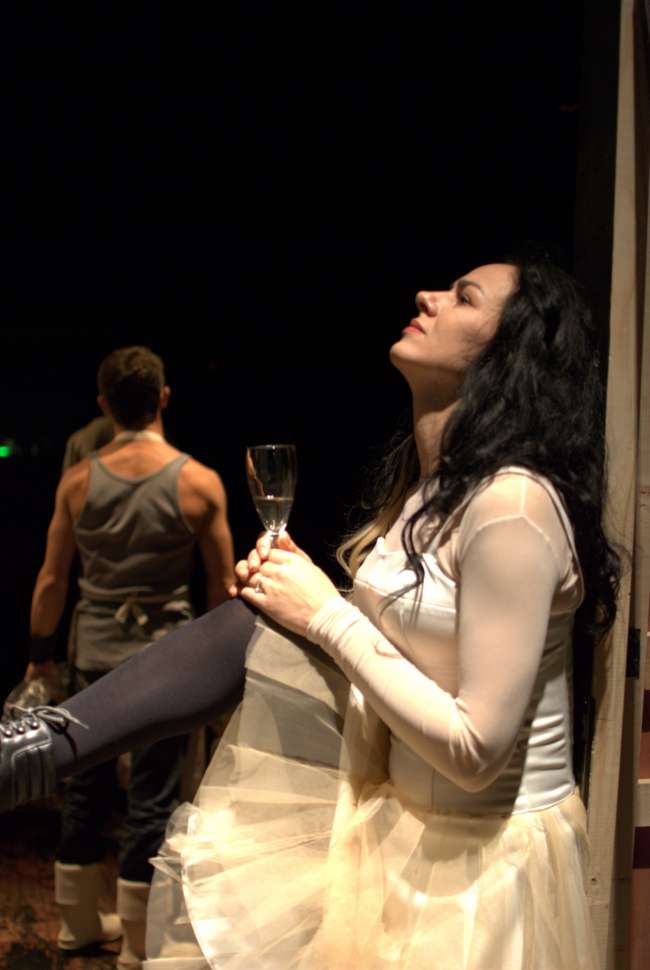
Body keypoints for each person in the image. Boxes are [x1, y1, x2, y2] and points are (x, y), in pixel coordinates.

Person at [1, 256, 620, 970]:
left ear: (508, 355)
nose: (428, 295)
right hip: (404, 822)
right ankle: (32, 750)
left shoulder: (514, 502)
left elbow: (477, 750)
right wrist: (295, 598)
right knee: (251, 625)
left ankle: (33, 753)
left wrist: (324, 612)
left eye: (463, 297)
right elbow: (412, 640)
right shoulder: (433, 489)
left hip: (476, 870)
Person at [22, 346, 236, 968]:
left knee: (83, 790)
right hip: (167, 664)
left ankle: (77, 927)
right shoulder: (199, 482)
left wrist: (39, 657)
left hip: (93, 655)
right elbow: (224, 590)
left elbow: (51, 581)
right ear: (163, 398)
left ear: (104, 405)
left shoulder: (77, 482)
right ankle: (137, 946)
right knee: (152, 796)